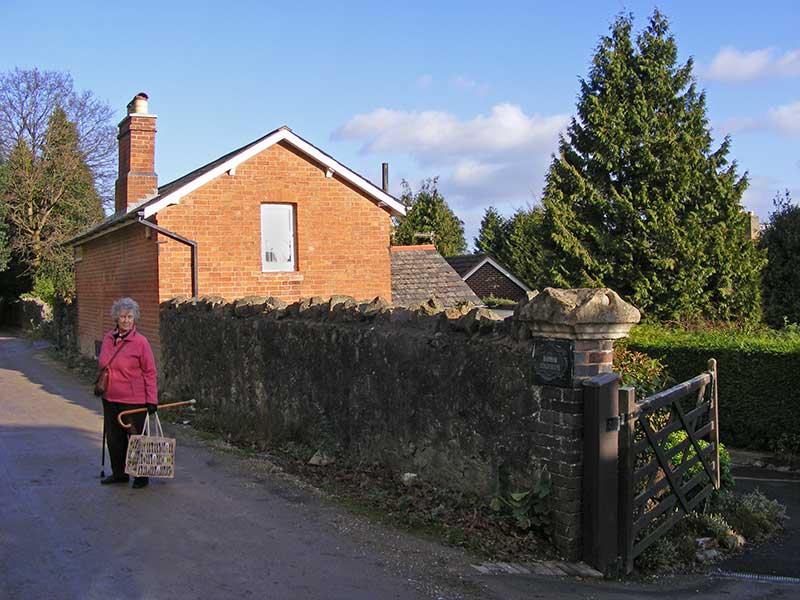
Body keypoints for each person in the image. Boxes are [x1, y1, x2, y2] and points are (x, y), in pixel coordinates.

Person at [98, 297, 158, 489]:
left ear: (135, 319)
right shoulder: (108, 338)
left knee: (136, 437)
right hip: (110, 397)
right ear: (116, 318)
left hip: (134, 399)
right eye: (122, 316)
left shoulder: (141, 342)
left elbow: (150, 372)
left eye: (130, 317)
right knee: (114, 438)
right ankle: (119, 473)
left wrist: (152, 400)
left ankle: (142, 475)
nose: (126, 320)